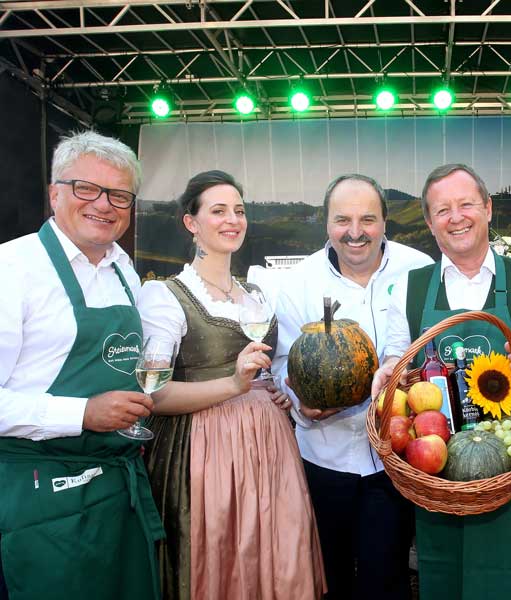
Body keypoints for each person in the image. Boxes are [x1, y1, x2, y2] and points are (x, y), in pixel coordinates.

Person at [371, 163, 511, 600]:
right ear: (428, 222)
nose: (456, 217)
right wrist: (386, 377)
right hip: (437, 471)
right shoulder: (408, 290)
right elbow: (396, 365)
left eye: (466, 204)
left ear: (488, 208)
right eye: (442, 210)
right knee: (446, 581)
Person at [138, 170, 325, 600]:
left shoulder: (257, 293)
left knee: (277, 554)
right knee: (220, 555)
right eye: (218, 211)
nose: (232, 220)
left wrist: (274, 388)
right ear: (192, 223)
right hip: (205, 450)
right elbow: (153, 395)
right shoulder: (166, 296)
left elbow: (267, 368)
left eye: (238, 211)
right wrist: (235, 384)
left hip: (270, 446)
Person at [0, 130, 164, 599]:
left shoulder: (124, 271)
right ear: (55, 193)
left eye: (118, 194)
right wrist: (83, 414)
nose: (103, 204)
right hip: (41, 499)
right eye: (85, 188)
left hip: (115, 493)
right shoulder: (12, 269)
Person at [272, 174, 432, 600]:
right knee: (331, 577)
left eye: (368, 219)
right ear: (326, 223)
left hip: (396, 458)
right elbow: (282, 364)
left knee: (389, 576)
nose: (355, 232)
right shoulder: (297, 283)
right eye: (342, 219)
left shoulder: (419, 269)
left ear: (385, 222)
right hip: (325, 457)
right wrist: (299, 404)